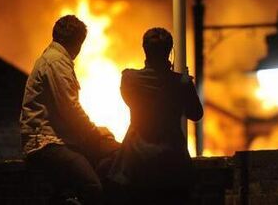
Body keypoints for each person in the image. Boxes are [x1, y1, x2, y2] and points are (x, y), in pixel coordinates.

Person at [20, 15, 119, 205]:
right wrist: (96, 133)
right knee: (93, 187)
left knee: (109, 152)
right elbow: (71, 110)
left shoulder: (52, 58)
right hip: (47, 145)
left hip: (52, 141)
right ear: (78, 43)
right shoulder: (57, 62)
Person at [107, 27, 204, 204]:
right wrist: (184, 83)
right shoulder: (181, 83)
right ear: (169, 51)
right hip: (172, 164)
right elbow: (196, 114)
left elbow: (130, 100)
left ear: (145, 49)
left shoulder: (129, 78)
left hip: (135, 164)